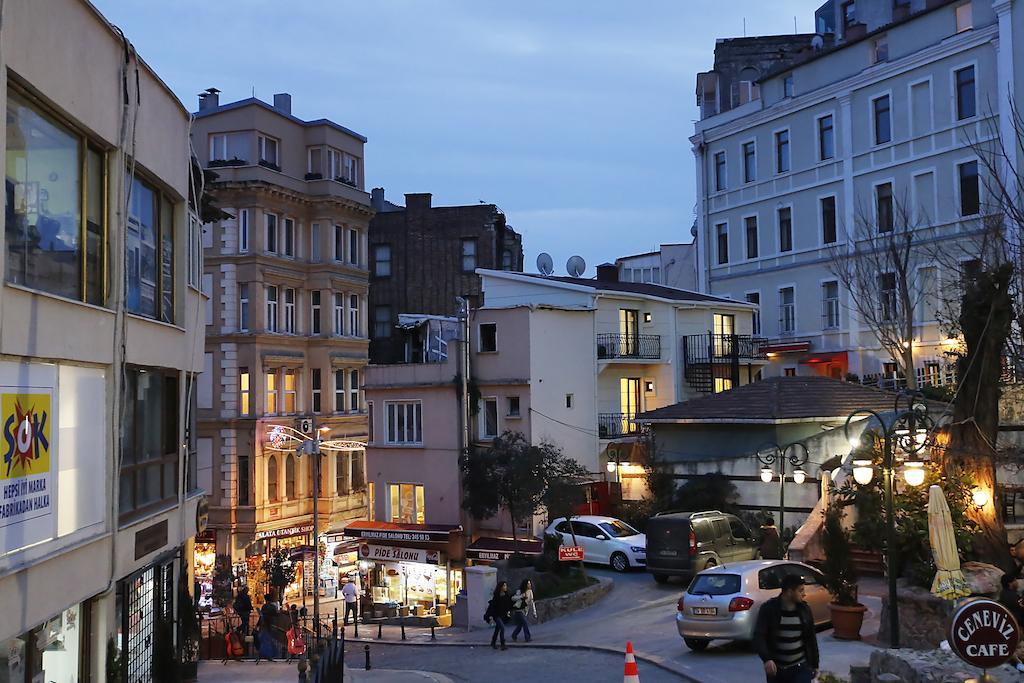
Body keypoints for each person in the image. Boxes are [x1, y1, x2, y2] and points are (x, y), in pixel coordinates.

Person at [753, 574, 819, 683]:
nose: (804, 594)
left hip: (801, 668)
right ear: (789, 592)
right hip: (777, 670)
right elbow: (759, 635)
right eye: (800, 590)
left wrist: (815, 664)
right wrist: (767, 659)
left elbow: (811, 638)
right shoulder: (769, 609)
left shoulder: (805, 610)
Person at [484, 581, 513, 650]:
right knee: (502, 628)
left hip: (502, 615)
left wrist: (508, 612)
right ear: (500, 587)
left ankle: (493, 642)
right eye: (504, 586)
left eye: (506, 586)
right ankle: (503, 644)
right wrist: (491, 616)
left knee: (497, 629)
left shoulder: (506, 595)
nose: (505, 587)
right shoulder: (497, 596)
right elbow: (493, 606)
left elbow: (508, 605)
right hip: (496, 615)